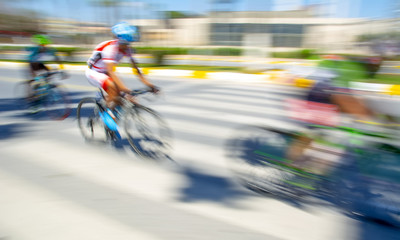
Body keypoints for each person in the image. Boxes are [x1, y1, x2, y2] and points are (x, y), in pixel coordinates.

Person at [85, 22, 159, 112]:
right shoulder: (110, 49)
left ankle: (108, 104)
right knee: (114, 88)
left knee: (122, 101)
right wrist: (125, 90)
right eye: (124, 43)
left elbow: (136, 70)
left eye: (129, 43)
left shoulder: (127, 49)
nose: (127, 46)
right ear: (118, 40)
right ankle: (105, 111)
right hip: (94, 72)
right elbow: (111, 71)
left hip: (106, 72)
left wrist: (150, 85)